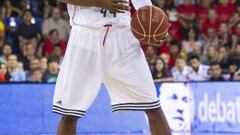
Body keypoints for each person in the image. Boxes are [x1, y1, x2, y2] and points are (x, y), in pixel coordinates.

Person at [53, 0, 171, 135]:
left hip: (123, 38)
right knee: (70, 112)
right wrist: (99, 2)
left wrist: (155, 25)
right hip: (86, 35)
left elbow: (144, 7)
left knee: (152, 105)